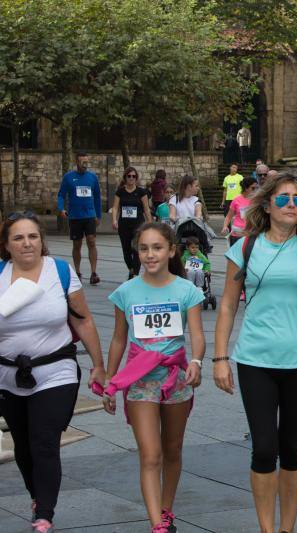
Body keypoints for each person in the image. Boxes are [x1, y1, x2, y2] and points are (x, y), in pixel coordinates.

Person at [213, 173, 297, 532]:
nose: (290, 205)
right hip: (256, 359)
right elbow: (226, 306)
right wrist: (220, 358)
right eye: (282, 199)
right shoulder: (245, 247)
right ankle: (267, 528)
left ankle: (288, 527)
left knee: (293, 447)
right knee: (265, 448)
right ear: (267, 205)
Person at [0, 212, 106, 533]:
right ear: (7, 245)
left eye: (33, 236)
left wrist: (99, 366)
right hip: (8, 375)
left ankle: (44, 513)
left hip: (56, 370)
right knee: (23, 443)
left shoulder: (60, 272)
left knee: (44, 440)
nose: (27, 243)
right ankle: (37, 495)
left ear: (41, 240)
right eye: (18, 238)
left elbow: (83, 319)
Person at [103, 222, 204, 533]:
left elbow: (197, 335)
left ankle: (166, 509)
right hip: (139, 381)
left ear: (171, 250)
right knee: (151, 453)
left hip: (176, 379)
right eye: (144, 248)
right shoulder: (126, 292)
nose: (150, 254)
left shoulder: (187, 290)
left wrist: (197, 362)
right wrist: (110, 380)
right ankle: (157, 525)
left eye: (157, 247)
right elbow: (119, 339)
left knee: (172, 450)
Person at [57, 152, 102, 285]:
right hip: (75, 216)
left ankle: (94, 273)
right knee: (77, 244)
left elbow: (98, 197)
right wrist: (61, 209)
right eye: (83, 162)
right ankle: (77, 271)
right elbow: (61, 195)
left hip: (89, 216)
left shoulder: (92, 178)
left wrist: (98, 215)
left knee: (91, 241)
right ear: (77, 162)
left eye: (86, 162)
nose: (85, 165)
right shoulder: (69, 177)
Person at [112, 167, 153, 279]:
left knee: (136, 249)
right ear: (125, 177)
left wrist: (150, 224)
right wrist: (114, 220)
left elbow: (146, 209)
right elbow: (115, 208)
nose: (131, 178)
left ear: (136, 178)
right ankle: (131, 269)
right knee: (126, 250)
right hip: (124, 225)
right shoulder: (120, 192)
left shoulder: (141, 192)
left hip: (138, 225)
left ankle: (135, 274)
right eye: (129, 176)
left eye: (133, 176)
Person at [221, 177, 259, 247]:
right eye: (253, 188)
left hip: (251, 234)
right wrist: (225, 226)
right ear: (246, 188)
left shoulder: (257, 200)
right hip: (237, 234)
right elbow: (229, 217)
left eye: (257, 188)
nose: (255, 190)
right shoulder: (236, 200)